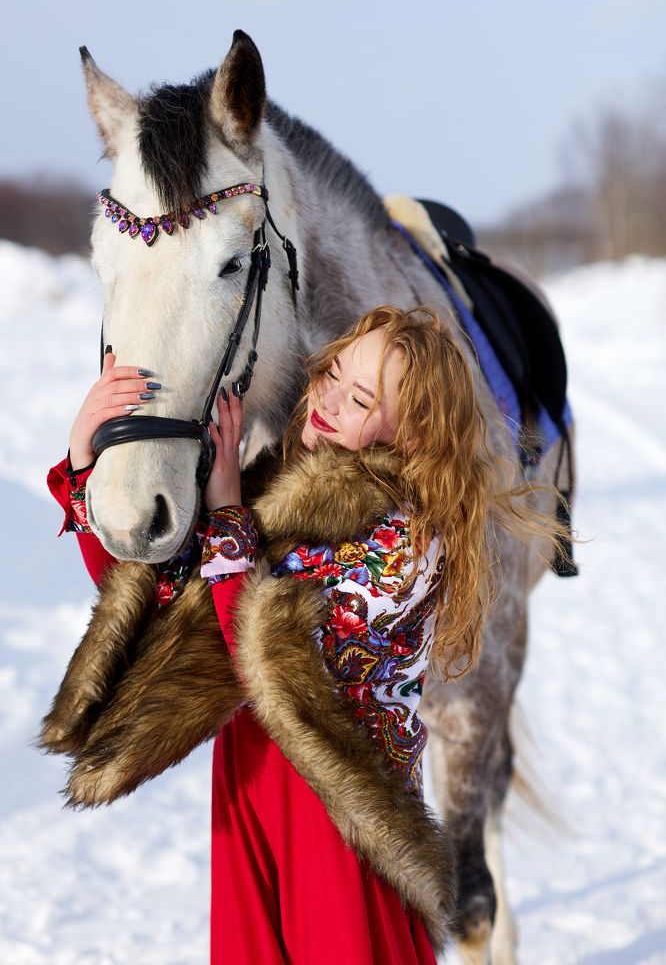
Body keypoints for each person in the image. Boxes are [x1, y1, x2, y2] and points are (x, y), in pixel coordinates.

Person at [46, 305, 567, 964]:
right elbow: (164, 599)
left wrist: (229, 509)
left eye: (360, 398)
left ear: (414, 434)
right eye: (334, 376)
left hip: (336, 809)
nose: (330, 400)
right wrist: (85, 456)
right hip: (254, 780)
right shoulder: (286, 489)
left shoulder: (410, 535)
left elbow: (269, 647)